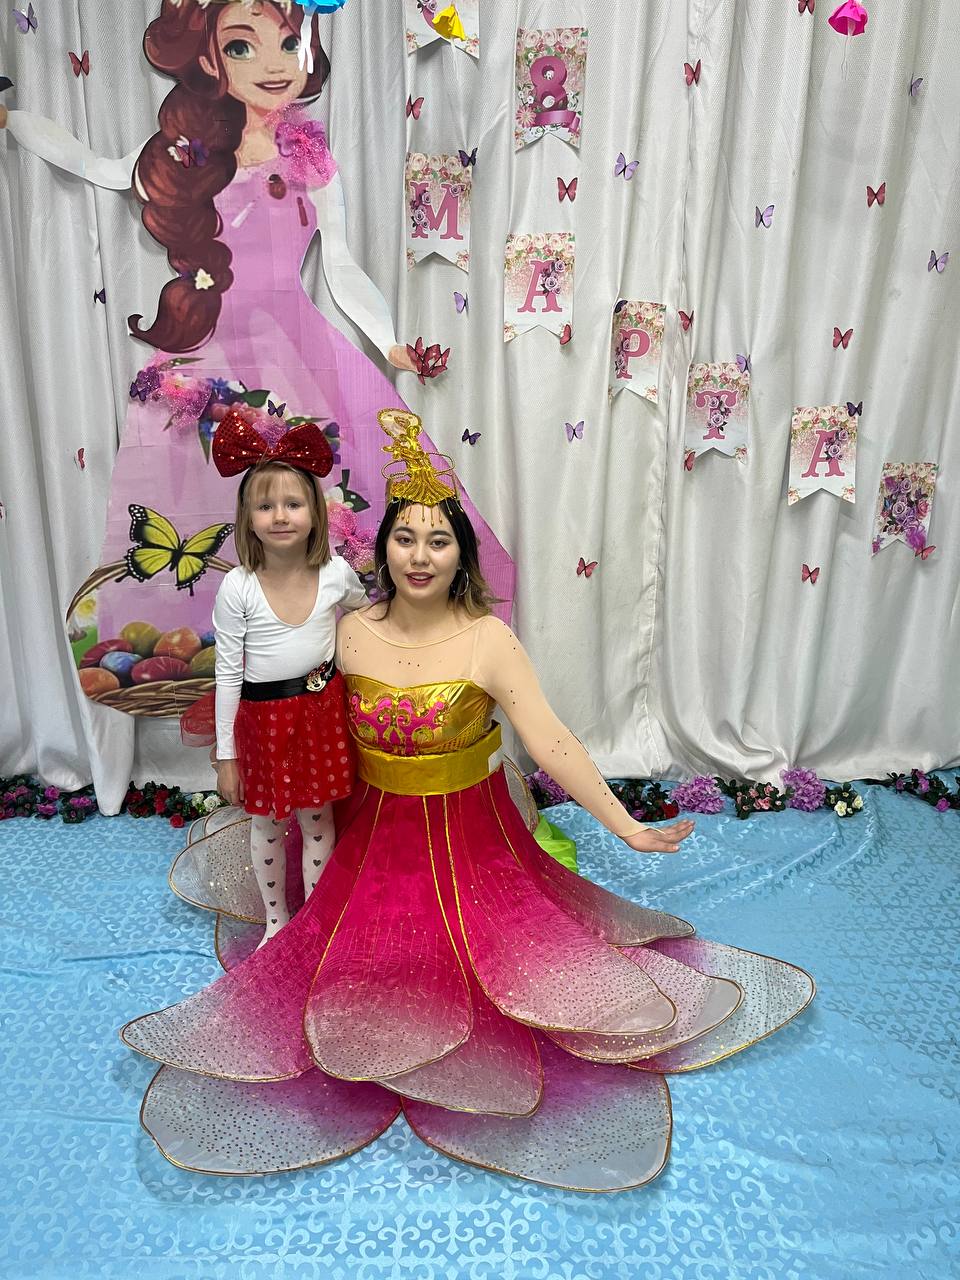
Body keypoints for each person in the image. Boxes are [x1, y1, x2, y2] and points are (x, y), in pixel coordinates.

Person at [120, 412, 815, 1192]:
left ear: (462, 555)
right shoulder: (349, 632)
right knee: (348, 967)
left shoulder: (489, 641)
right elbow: (278, 702)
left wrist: (625, 825)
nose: (419, 556)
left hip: (469, 847)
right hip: (365, 842)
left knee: (502, 972)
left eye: (439, 541)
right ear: (382, 548)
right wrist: (238, 759)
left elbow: (550, 740)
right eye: (404, 538)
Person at [0, 0, 514, 716]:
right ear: (210, 60)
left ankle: (362, 663)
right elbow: (100, 168)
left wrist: (388, 341)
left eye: (288, 43)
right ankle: (220, 676)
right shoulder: (187, 153)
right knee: (212, 516)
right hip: (207, 352)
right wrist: (14, 122)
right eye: (243, 46)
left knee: (345, 502)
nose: (273, 65)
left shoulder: (311, 159)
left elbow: (341, 266)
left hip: (299, 347)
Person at [209, 406, 366, 946]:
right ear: (248, 517)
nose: (280, 516)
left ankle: (315, 920)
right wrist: (227, 756)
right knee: (269, 823)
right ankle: (277, 921)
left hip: (321, 716)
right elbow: (227, 674)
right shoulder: (238, 586)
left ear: (316, 513)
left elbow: (367, 620)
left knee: (318, 819)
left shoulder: (336, 573)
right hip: (263, 722)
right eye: (265, 506)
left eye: (293, 504)